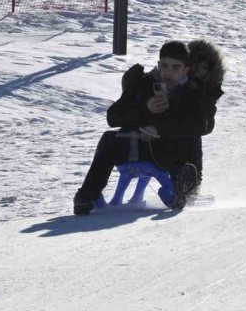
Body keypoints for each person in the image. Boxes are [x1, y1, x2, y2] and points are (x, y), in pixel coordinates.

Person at [72, 40, 223, 215]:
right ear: (158, 64)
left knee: (192, 137)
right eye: (164, 66)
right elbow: (113, 117)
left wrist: (161, 129)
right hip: (139, 147)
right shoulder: (143, 83)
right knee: (109, 138)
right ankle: (86, 196)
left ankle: (186, 192)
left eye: (175, 67)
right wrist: (145, 108)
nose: (168, 72)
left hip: (172, 152)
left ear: (186, 69)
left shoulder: (193, 92)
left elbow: (204, 126)